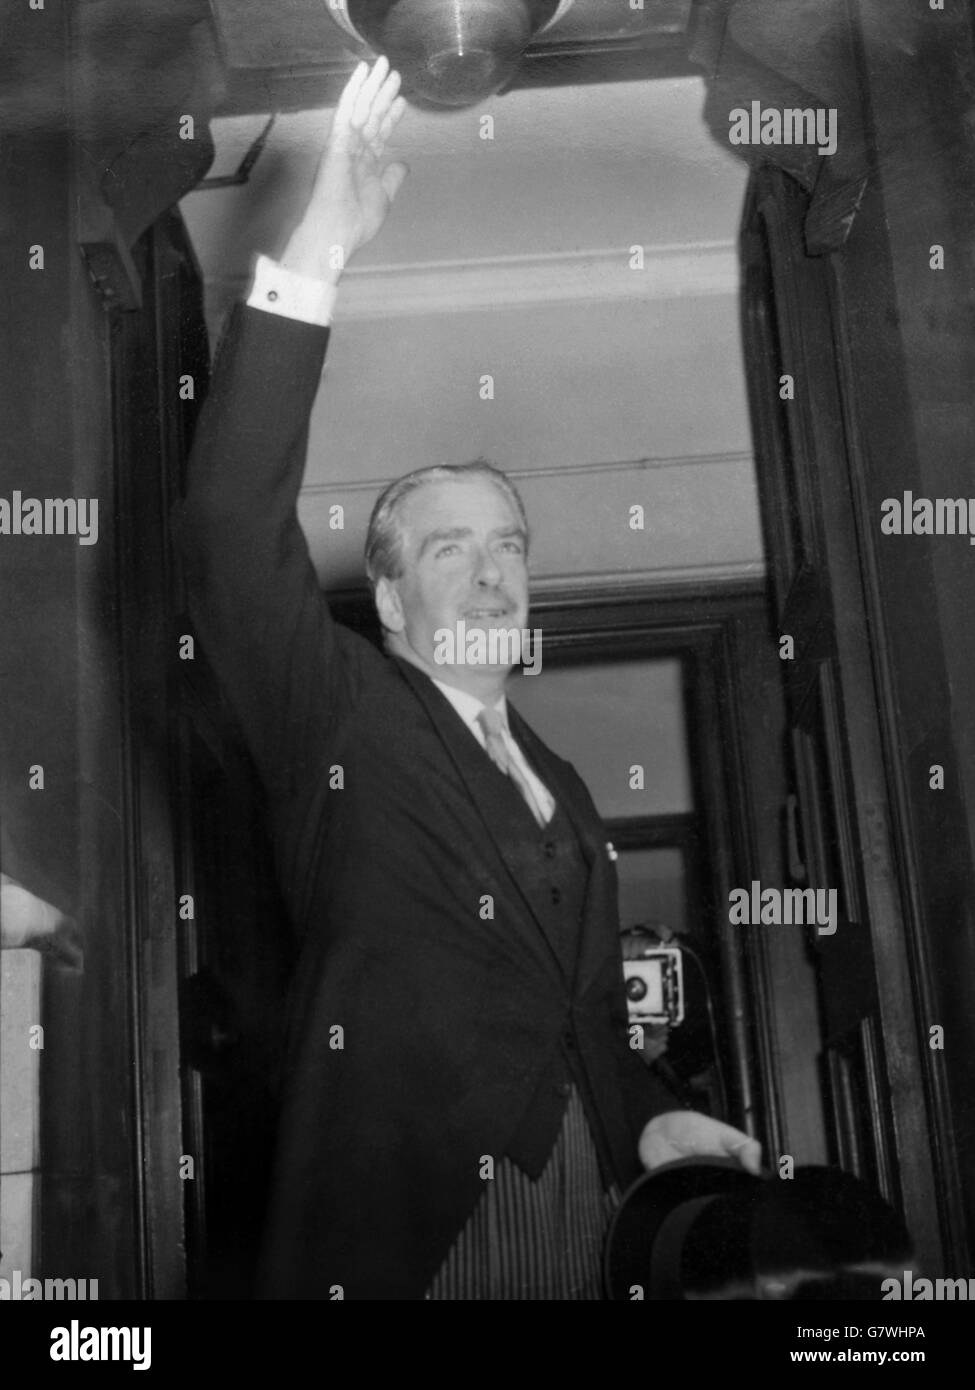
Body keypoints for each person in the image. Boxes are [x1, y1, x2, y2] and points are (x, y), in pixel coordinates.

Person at [178, 57, 761, 1300]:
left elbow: (579, 1020)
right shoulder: (335, 715)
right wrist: (319, 250)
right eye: (453, 550)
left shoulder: (563, 789)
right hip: (404, 1240)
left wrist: (648, 1117)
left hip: (591, 1231)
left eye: (511, 546)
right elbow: (229, 525)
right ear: (389, 597)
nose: (494, 575)